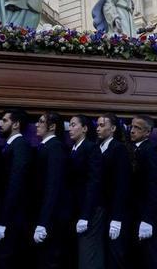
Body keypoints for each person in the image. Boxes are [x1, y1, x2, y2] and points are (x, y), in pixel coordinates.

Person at [0, 109, 34, 269]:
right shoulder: (11, 145)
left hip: (12, 218)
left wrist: (3, 221)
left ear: (16, 124)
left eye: (4, 120)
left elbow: (16, 183)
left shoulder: (20, 145)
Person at [33, 112, 70, 269]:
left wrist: (44, 222)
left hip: (52, 218)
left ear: (53, 126)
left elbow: (53, 186)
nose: (37, 124)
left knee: (49, 260)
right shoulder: (47, 146)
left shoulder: (55, 147)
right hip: (45, 215)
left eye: (41, 121)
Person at [128, 115, 157, 269]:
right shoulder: (134, 148)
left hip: (147, 214)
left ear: (147, 132)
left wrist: (148, 219)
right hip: (134, 212)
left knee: (153, 257)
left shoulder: (151, 150)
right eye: (132, 127)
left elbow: (154, 185)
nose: (132, 131)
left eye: (137, 128)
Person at [67, 115, 103, 269]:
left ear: (85, 128)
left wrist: (85, 215)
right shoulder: (74, 148)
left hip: (90, 210)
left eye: (74, 125)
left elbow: (94, 182)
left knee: (88, 253)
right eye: (69, 125)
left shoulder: (91, 147)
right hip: (76, 208)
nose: (70, 128)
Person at [96, 113, 130, 269]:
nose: (98, 128)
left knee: (115, 253)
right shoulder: (98, 147)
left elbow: (121, 185)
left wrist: (117, 218)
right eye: (97, 125)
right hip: (101, 208)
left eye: (102, 125)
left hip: (115, 210)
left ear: (113, 128)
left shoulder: (118, 148)